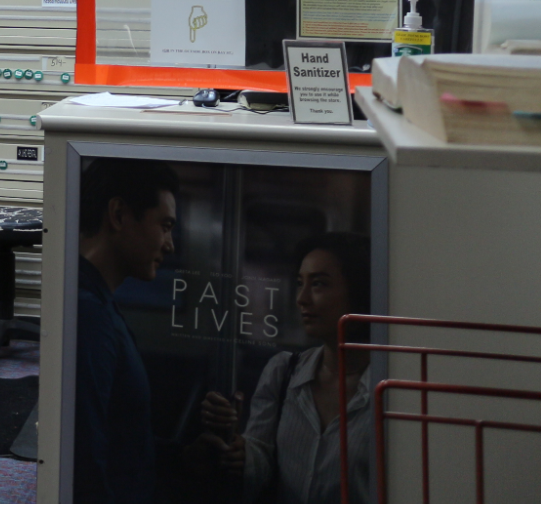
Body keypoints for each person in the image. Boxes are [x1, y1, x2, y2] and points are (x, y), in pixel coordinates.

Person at [200, 233, 375, 503]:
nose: (301, 299)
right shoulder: (284, 373)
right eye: (299, 283)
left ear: (359, 294)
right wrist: (239, 450)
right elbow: (261, 456)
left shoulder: (383, 389)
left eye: (318, 284)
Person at [73, 159, 179, 503]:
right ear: (118, 214)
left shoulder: (96, 303)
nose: (170, 244)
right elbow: (86, 458)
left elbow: (120, 441)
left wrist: (182, 459)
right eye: (164, 226)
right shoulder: (90, 315)